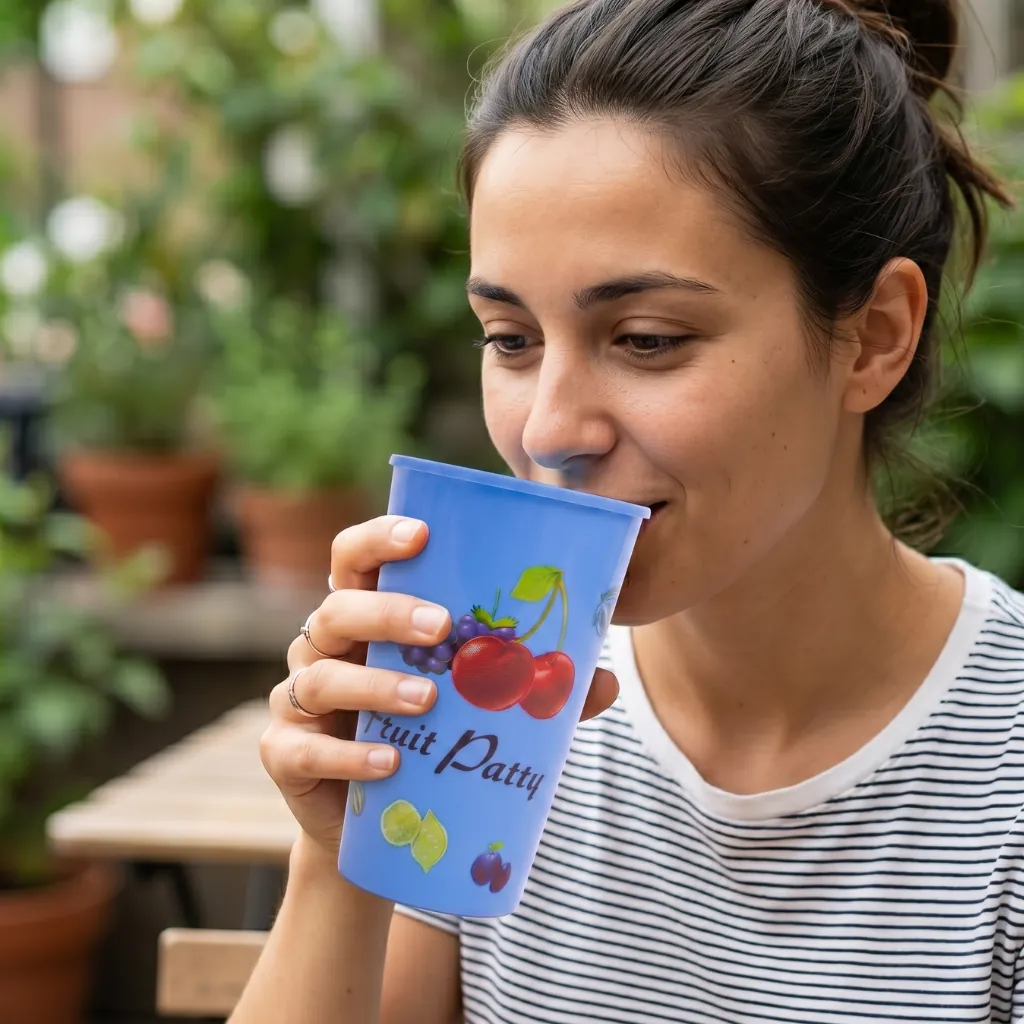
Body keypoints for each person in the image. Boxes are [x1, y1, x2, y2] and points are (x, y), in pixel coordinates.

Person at [231, 1, 1024, 1020]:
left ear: (873, 337)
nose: (550, 429)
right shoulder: (481, 720)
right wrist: (343, 852)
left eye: (647, 338)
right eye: (510, 339)